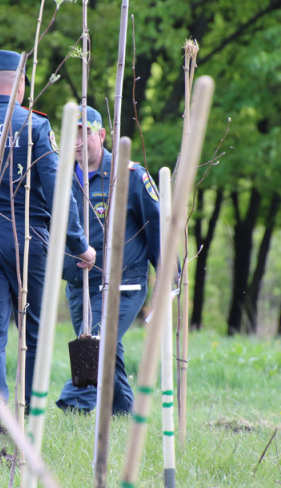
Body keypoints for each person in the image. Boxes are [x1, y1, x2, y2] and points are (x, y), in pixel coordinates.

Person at [0, 50, 95, 412]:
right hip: (30, 239)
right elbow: (60, 191)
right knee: (36, 328)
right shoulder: (35, 125)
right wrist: (79, 244)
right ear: (22, 85)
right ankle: (29, 407)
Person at [56, 105, 161, 415]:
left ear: (101, 134)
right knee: (107, 351)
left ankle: (74, 403)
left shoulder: (128, 176)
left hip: (124, 283)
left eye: (84, 133)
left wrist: (169, 280)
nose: (77, 141)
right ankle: (123, 413)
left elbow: (157, 227)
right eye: (70, 135)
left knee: (96, 343)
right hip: (79, 284)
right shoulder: (57, 177)